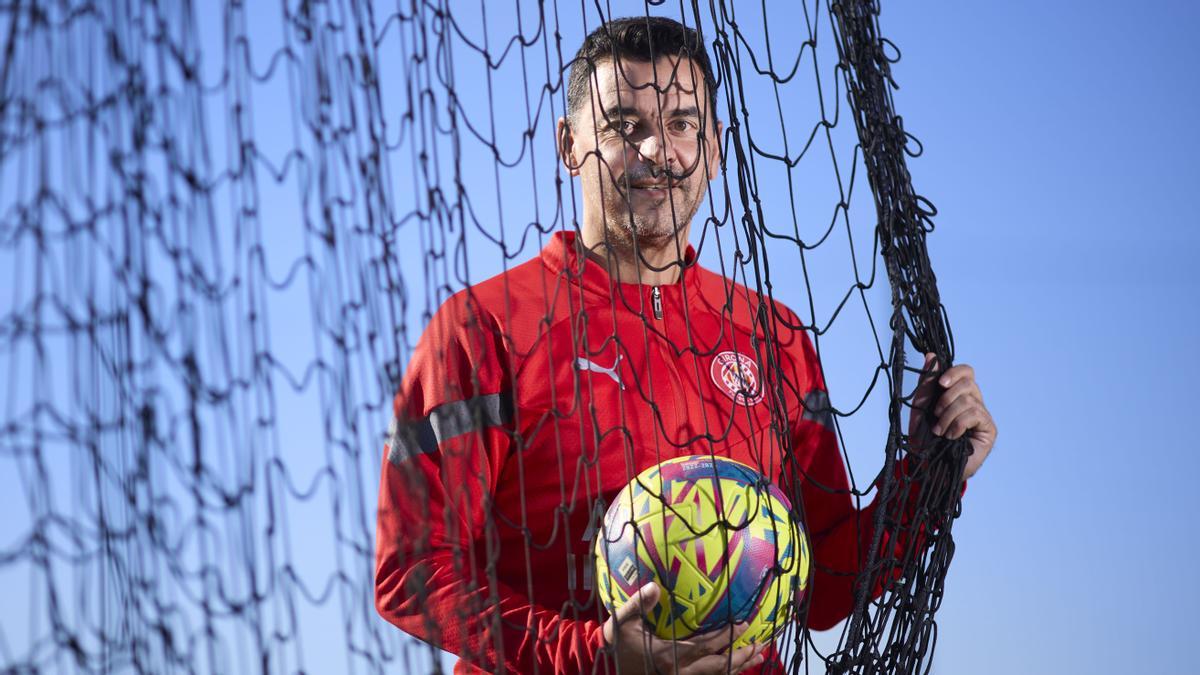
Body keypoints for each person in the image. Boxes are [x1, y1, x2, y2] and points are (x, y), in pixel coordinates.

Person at [374, 16, 996, 675]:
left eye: (681, 124)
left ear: (716, 146)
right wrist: (593, 655)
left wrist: (926, 477)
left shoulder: (776, 336)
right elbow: (409, 568)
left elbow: (820, 587)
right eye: (624, 125)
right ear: (568, 143)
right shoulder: (482, 327)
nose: (657, 151)